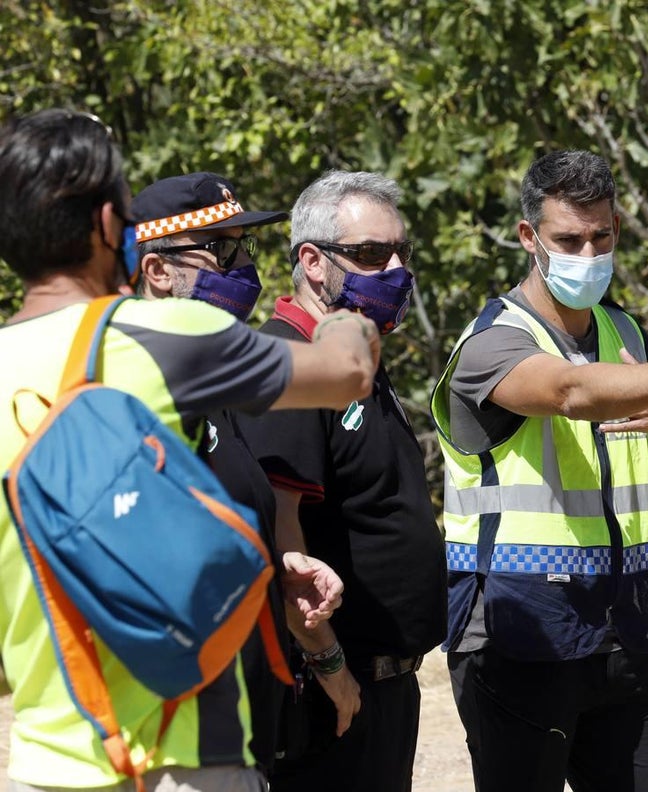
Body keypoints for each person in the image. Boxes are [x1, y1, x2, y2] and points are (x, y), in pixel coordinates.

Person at [0, 109, 380, 791]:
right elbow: (347, 372)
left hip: (48, 760)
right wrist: (350, 313)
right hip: (186, 759)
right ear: (112, 226)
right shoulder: (165, 331)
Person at [430, 149, 648, 792]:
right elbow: (567, 390)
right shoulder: (492, 341)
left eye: (601, 236)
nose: (588, 254)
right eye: (568, 239)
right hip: (520, 630)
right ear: (528, 237)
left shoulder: (625, 337)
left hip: (621, 628)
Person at [234, 170, 447, 792]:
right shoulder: (293, 370)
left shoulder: (349, 362)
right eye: (372, 255)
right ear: (314, 262)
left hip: (382, 685)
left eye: (402, 253)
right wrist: (331, 668)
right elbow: (284, 538)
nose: (396, 270)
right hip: (333, 692)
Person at [131, 172, 346, 775]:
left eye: (245, 247)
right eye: (222, 249)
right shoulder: (141, 382)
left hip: (240, 717)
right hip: (176, 733)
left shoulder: (209, 376)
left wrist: (278, 567)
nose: (243, 266)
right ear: (157, 271)